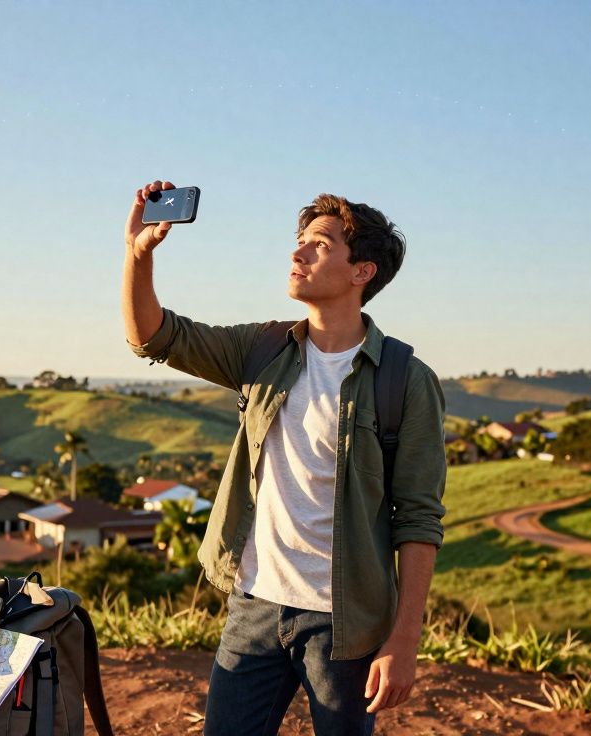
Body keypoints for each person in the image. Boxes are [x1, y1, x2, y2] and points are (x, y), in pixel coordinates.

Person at [121, 180, 447, 735]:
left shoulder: (405, 381)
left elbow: (417, 520)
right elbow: (153, 336)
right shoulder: (263, 350)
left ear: (361, 271)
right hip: (254, 605)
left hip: (346, 625)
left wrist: (404, 642)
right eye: (300, 240)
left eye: (319, 244)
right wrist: (137, 256)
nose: (297, 252)